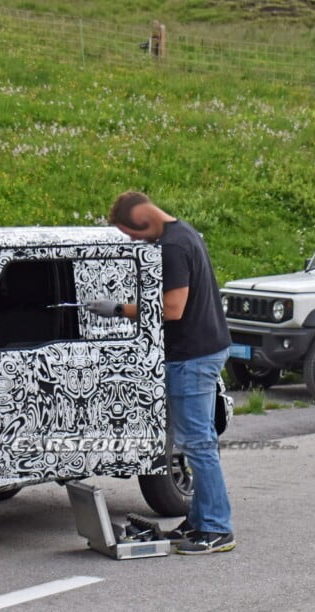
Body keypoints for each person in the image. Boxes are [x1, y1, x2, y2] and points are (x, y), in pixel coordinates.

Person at [87, 191, 235, 555]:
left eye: (132, 234)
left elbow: (172, 307)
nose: (134, 240)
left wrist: (118, 309)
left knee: (197, 443)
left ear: (143, 221)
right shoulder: (186, 233)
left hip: (191, 356)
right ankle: (200, 520)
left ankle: (217, 529)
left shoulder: (171, 247)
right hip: (206, 348)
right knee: (197, 442)